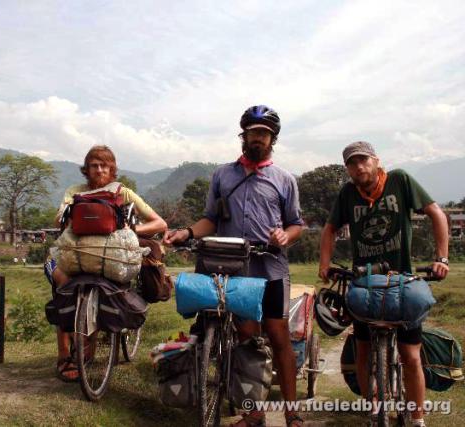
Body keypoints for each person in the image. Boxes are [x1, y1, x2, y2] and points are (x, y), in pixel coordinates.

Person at [164, 105, 305, 427]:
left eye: (264, 133)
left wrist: (285, 235)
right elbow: (210, 219)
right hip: (232, 268)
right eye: (252, 132)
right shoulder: (222, 175)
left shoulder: (284, 179)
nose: (258, 138)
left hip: (270, 269)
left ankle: (292, 411)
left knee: (277, 334)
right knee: (245, 338)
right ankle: (253, 413)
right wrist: (187, 232)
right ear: (243, 136)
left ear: (272, 139)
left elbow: (297, 224)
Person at [319, 141, 449, 427]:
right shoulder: (347, 193)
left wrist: (442, 258)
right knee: (363, 348)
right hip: (365, 283)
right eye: (352, 163)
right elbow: (329, 229)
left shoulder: (400, 180)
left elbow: (437, 214)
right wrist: (324, 263)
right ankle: (372, 408)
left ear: (377, 161)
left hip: (402, 283)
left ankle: (417, 419)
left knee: (410, 355)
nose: (359, 166)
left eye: (364, 160)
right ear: (347, 169)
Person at [49, 144, 167, 382]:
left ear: (112, 169)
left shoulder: (123, 192)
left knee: (110, 287)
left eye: (105, 165)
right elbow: (58, 218)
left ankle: (92, 338)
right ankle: (64, 354)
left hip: (110, 255)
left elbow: (159, 223)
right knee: (59, 283)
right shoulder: (75, 191)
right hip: (78, 253)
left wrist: (131, 229)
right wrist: (69, 213)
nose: (99, 169)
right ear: (87, 169)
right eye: (94, 165)